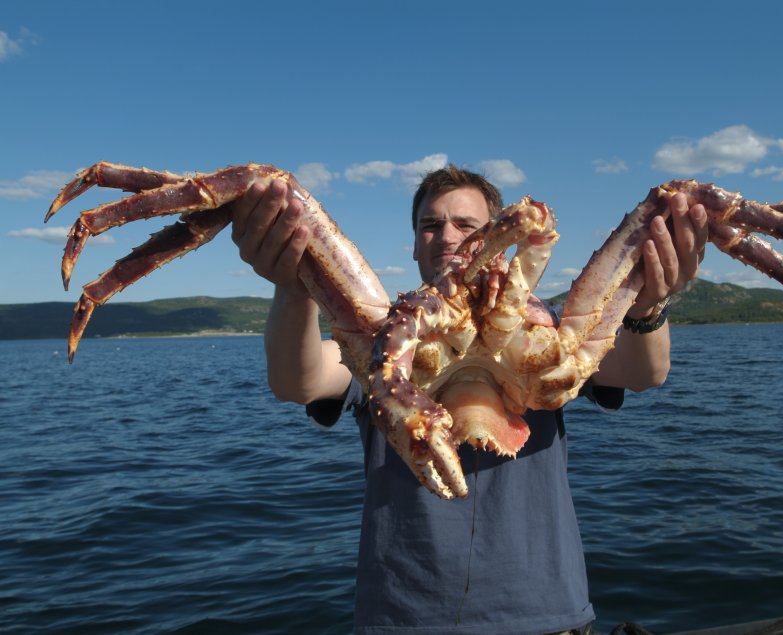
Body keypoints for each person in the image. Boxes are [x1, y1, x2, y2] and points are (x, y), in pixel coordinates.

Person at [230, 165, 707, 635]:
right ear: (415, 244)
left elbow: (643, 373)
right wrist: (293, 289)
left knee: (676, 196)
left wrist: (647, 307)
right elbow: (298, 381)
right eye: (430, 225)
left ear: (500, 233)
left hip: (547, 613)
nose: (447, 236)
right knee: (270, 181)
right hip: (403, 619)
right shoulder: (382, 339)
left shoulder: (552, 330)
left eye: (466, 225)